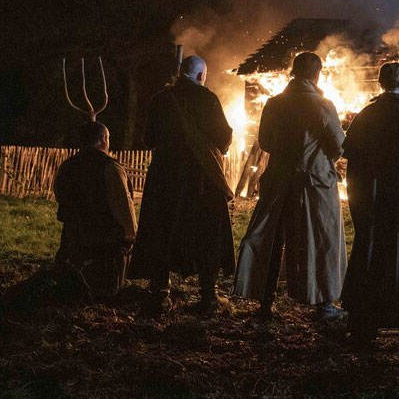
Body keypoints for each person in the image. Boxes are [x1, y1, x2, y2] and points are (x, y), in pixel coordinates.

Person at [233, 52, 347, 320]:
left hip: (279, 180)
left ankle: (265, 301)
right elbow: (339, 145)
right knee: (320, 240)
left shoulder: (274, 104)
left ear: (294, 72)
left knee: (271, 239)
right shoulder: (322, 105)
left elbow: (266, 142)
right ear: (316, 74)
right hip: (313, 185)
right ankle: (323, 303)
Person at [128, 55, 235, 313]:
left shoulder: (160, 99)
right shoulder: (208, 99)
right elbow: (224, 136)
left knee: (162, 231)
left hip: (165, 178)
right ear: (200, 76)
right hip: (202, 179)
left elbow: (148, 139)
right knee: (208, 232)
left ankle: (159, 294)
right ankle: (209, 297)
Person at [341, 62, 399, 344]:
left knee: (374, 254)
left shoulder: (366, 117)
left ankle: (365, 325)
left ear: (380, 84)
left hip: (376, 203)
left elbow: (354, 163)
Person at [53, 121, 136, 300]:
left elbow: (60, 197)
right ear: (103, 139)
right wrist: (131, 235)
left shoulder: (67, 166)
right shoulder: (110, 167)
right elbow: (123, 205)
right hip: (105, 242)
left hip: (73, 239)